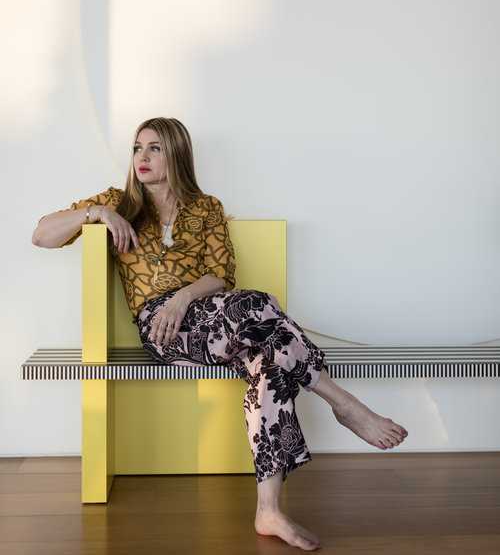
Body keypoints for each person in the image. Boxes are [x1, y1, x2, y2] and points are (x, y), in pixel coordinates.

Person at [32, 116, 408, 551]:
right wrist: (95, 213)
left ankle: (269, 510)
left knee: (270, 363)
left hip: (206, 314)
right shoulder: (119, 201)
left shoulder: (205, 207)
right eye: (138, 148)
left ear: (176, 154)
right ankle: (345, 403)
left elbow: (221, 275)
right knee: (260, 305)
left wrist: (182, 298)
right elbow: (41, 234)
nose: (142, 157)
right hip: (164, 331)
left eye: (154, 148)